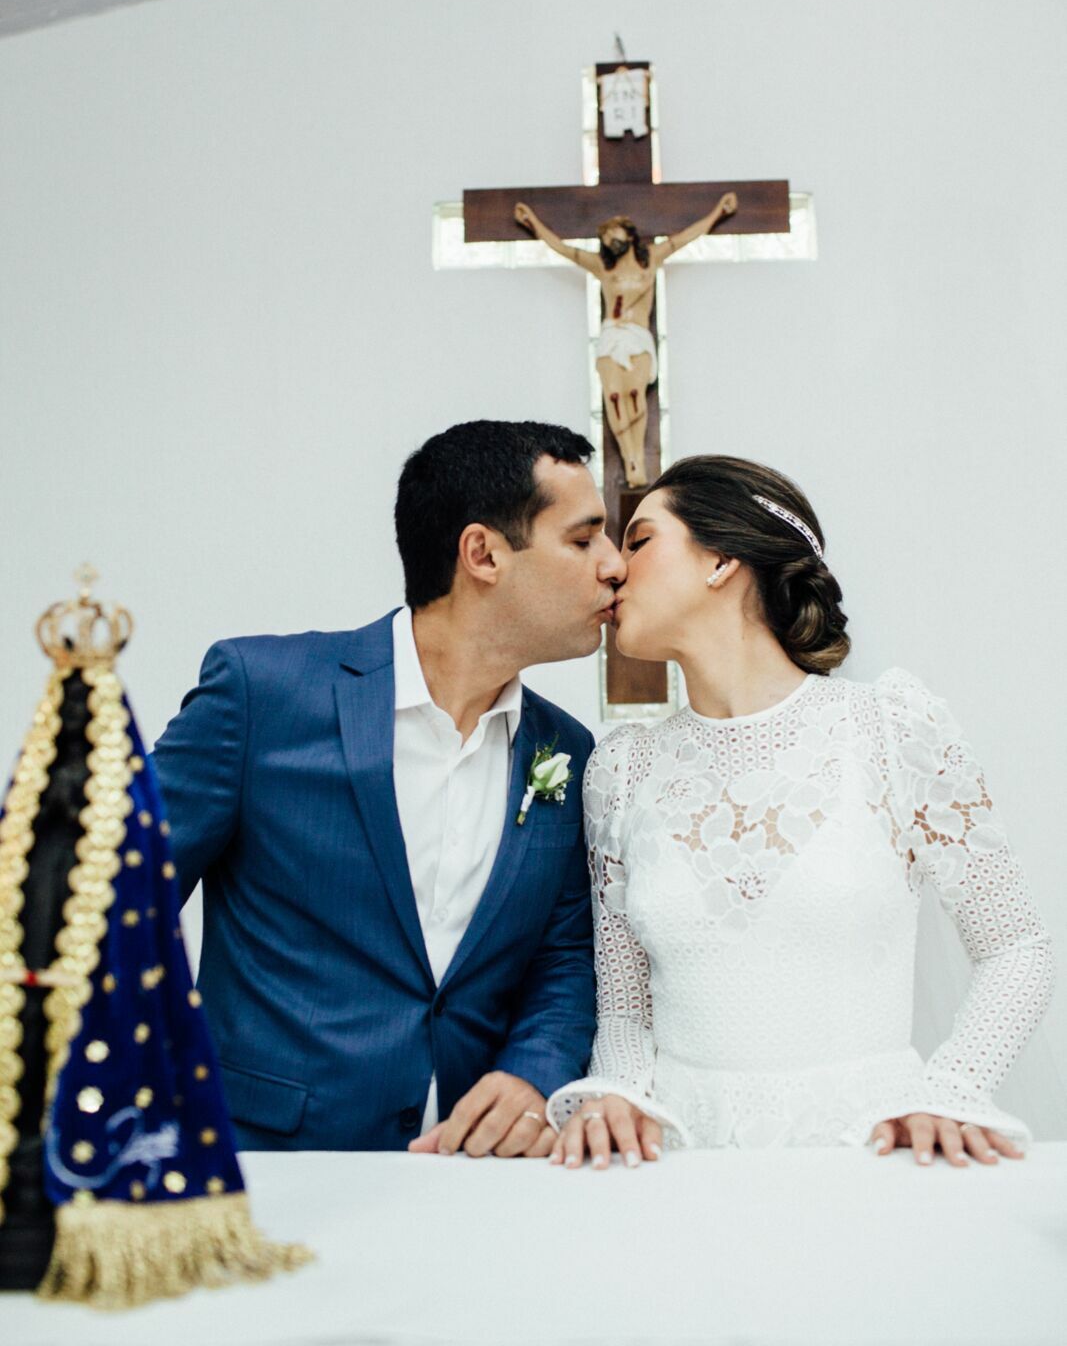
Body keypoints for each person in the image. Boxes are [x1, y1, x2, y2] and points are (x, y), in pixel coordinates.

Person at [546, 455, 1055, 1168]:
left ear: (720, 559)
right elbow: (626, 1008)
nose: (611, 568)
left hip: (869, 1154)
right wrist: (619, 1095)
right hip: (681, 1163)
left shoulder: (889, 729)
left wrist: (953, 1087)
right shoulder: (622, 770)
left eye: (637, 541)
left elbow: (1015, 948)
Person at [152, 421, 626, 1154]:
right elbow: (111, 904)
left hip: (472, 1174)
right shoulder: (263, 696)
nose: (614, 565)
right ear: (483, 553)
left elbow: (562, 958)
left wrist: (533, 1074)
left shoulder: (564, 747)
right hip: (262, 1162)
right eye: (583, 538)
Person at [514, 196, 737, 488]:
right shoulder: (602, 267)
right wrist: (533, 222)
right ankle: (630, 459)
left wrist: (718, 212)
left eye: (613, 232)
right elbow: (562, 248)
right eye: (604, 236)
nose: (608, 239)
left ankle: (638, 460)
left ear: (629, 234)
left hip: (637, 336)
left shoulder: (652, 259)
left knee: (634, 393)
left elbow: (687, 236)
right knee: (615, 397)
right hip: (611, 337)